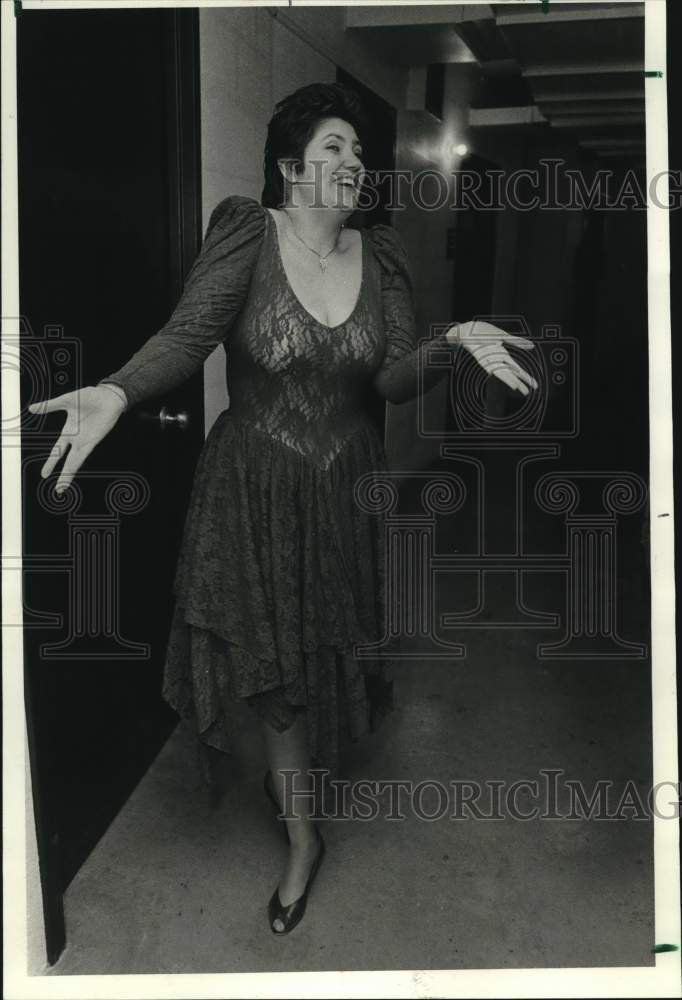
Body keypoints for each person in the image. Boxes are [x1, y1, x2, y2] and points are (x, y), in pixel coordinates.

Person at [28, 82, 537, 935]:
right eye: (334, 147)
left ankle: (292, 788)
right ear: (292, 166)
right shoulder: (246, 234)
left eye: (358, 151)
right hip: (253, 489)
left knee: (316, 650)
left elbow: (390, 382)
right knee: (278, 681)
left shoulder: (386, 256)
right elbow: (189, 337)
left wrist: (450, 345)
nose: (353, 162)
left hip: (344, 488)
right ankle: (304, 841)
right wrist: (118, 390)